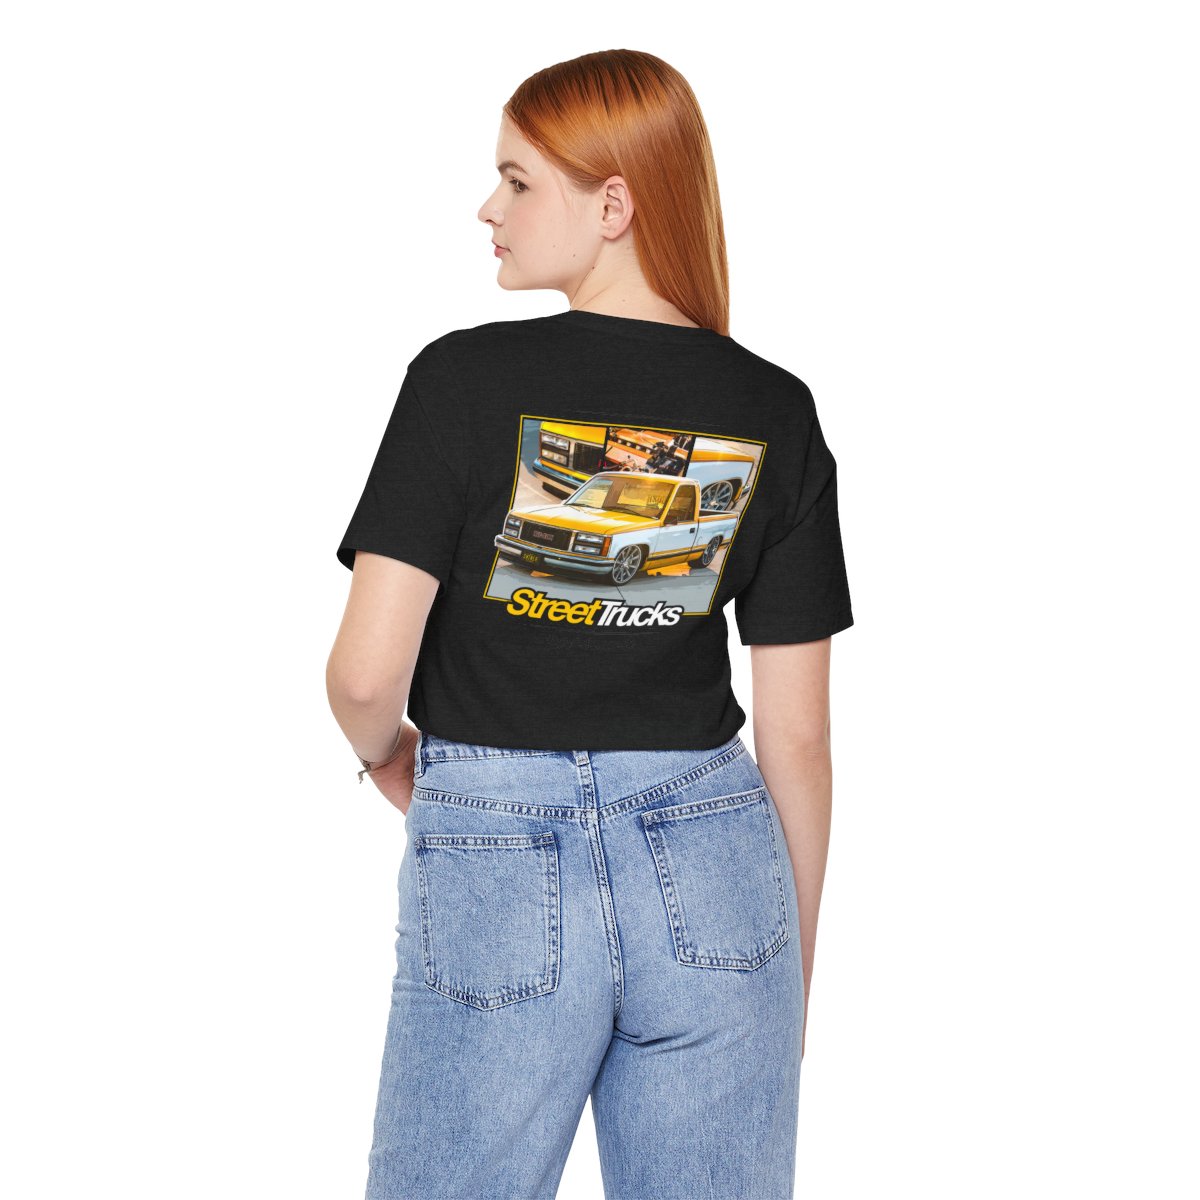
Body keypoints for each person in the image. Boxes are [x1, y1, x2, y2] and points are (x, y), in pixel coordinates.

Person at [326, 48, 854, 1200]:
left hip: (497, 854)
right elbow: (800, 740)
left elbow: (366, 677)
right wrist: (789, 972)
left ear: (613, 205)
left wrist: (390, 759)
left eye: (518, 181)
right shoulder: (774, 408)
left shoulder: (461, 380)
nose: (489, 208)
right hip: (717, 871)